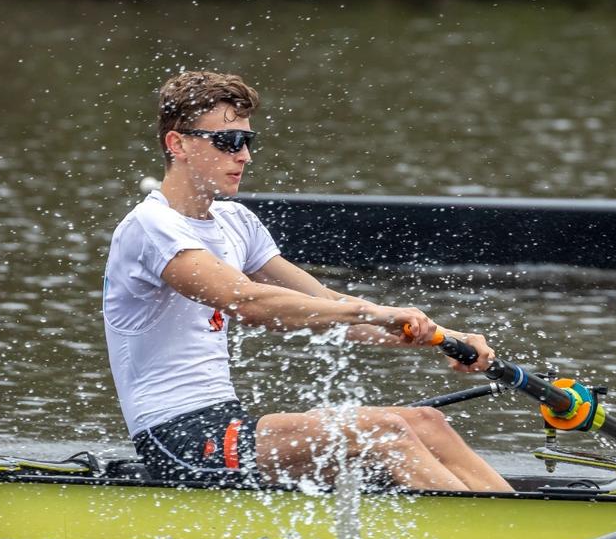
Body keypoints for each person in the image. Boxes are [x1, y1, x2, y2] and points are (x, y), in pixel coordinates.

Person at [102, 70, 512, 492]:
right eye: (228, 141)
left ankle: (513, 529)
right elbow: (247, 301)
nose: (244, 156)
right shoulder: (151, 227)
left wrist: (444, 337)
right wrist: (372, 311)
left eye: (248, 141)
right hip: (177, 440)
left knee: (427, 422)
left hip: (227, 424)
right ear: (179, 144)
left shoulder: (237, 222)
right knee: (384, 430)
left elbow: (325, 303)